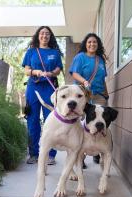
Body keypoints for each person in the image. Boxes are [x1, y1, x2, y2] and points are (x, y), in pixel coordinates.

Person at [22, 26, 63, 165]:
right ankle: (34, 154)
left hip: (49, 88)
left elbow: (58, 69)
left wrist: (51, 73)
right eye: (42, 33)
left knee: (50, 120)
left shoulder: (54, 52)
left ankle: (51, 155)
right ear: (38, 36)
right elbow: (26, 70)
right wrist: (36, 72)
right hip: (33, 87)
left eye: (47, 34)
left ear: (50, 36)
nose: (44, 36)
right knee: (32, 120)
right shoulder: (31, 51)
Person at [69, 33, 108, 167]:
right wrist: (84, 81)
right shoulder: (80, 57)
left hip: (99, 95)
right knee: (83, 125)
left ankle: (97, 152)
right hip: (84, 95)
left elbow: (103, 79)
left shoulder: (100, 60)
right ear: (86, 44)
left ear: (98, 45)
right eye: (89, 42)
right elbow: (74, 73)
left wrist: (106, 94)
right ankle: (82, 156)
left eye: (95, 42)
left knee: (100, 122)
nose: (92, 44)